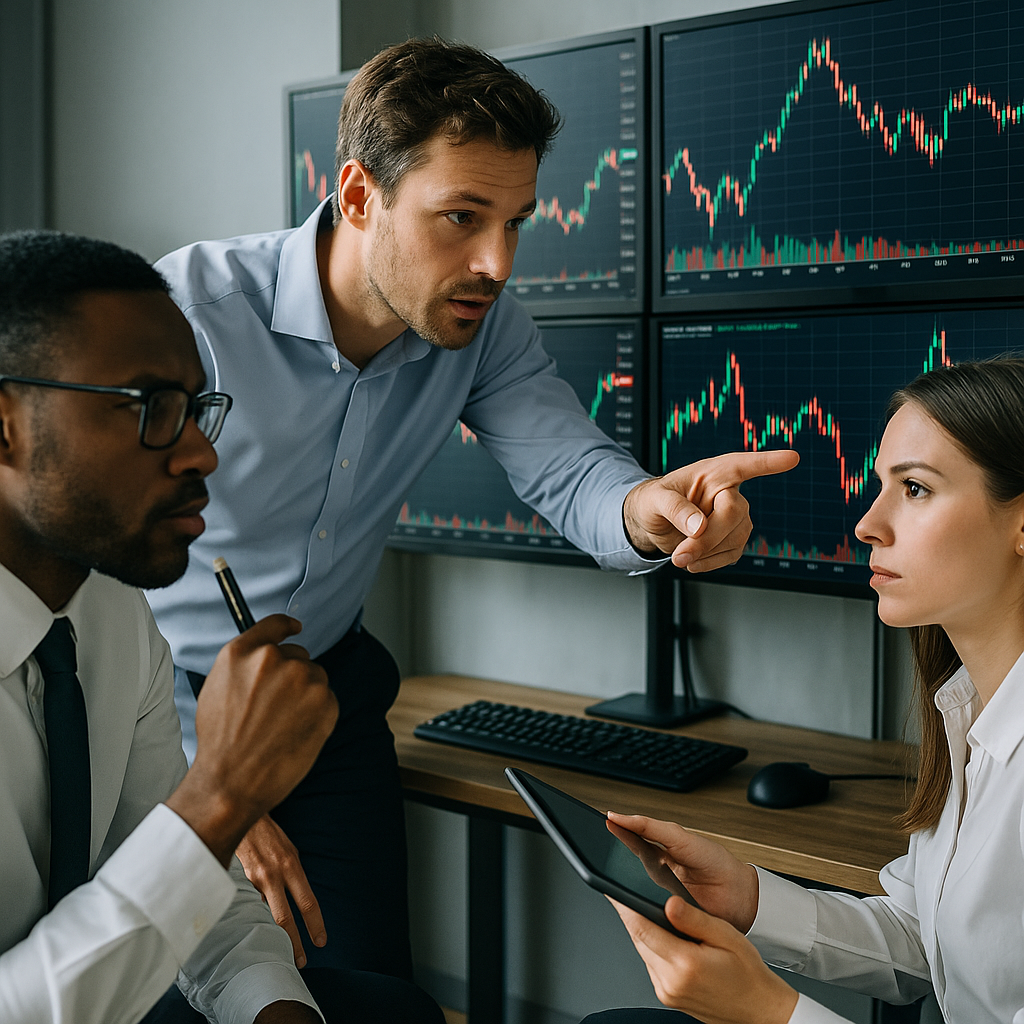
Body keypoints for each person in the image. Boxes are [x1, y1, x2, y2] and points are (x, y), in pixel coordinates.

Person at [147, 37, 800, 978]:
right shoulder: (190, 315)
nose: (495, 263)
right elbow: (86, 567)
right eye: (460, 216)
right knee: (170, 988)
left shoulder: (483, 330)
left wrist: (656, 508)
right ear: (361, 195)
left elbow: (574, 475)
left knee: (365, 992)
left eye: (516, 222)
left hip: (321, 692)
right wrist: (198, 787)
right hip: (156, 702)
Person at [0, 230, 444, 1024]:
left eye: (197, 407)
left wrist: (277, 1011)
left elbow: (188, 889)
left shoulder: (111, 616)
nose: (204, 455)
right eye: (150, 409)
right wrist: (223, 797)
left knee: (385, 1009)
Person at [579, 356, 1024, 1024]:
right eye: (880, 485)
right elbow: (929, 939)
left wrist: (767, 1011)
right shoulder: (968, 707)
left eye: (918, 489)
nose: (868, 524)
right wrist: (747, 897)